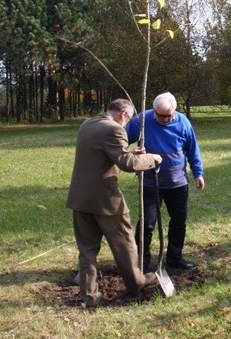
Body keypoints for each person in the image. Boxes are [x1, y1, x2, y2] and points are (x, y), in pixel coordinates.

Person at [66, 99, 163, 308]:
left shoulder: (88, 124)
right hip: (105, 200)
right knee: (125, 242)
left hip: (80, 197)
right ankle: (136, 282)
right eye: (127, 121)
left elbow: (102, 155)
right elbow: (127, 164)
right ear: (124, 114)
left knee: (87, 249)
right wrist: (151, 158)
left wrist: (129, 153)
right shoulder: (114, 130)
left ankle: (89, 296)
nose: (126, 126)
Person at [126, 92, 205, 271]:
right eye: (160, 115)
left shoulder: (183, 122)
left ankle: (175, 258)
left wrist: (198, 174)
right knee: (147, 223)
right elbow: (121, 139)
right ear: (154, 110)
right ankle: (142, 263)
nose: (164, 119)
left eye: (168, 116)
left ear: (174, 111)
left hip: (177, 182)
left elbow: (193, 150)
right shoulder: (142, 121)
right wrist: (134, 153)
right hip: (149, 182)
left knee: (179, 220)